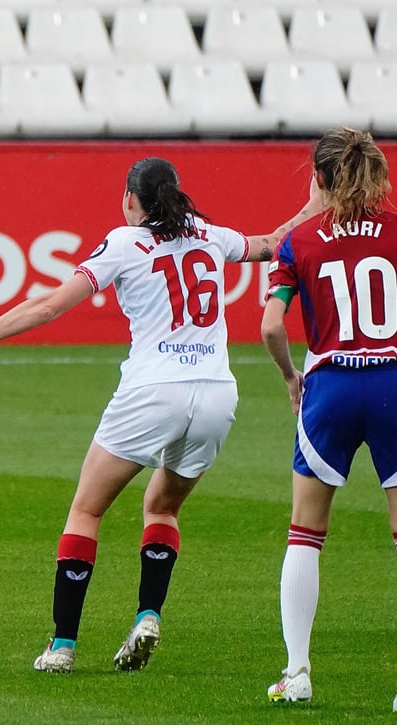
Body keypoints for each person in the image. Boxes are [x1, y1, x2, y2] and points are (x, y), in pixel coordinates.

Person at [0, 157, 320, 674]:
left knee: (86, 510)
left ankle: (62, 647)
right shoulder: (207, 235)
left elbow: (48, 306)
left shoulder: (125, 242)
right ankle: (147, 615)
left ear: (131, 199)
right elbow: (272, 243)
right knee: (162, 507)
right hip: (217, 394)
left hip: (152, 393)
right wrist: (313, 205)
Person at [261, 128, 396, 704]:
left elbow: (270, 325)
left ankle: (297, 675)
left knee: (305, 533)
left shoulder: (299, 241)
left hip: (331, 386)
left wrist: (292, 377)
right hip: (394, 379)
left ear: (318, 179)